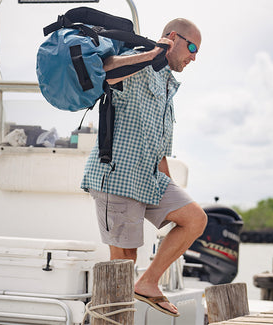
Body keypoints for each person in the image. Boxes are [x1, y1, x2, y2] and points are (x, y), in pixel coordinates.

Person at [80, 18, 206, 317]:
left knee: (195, 219)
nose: (194, 57)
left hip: (150, 177)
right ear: (173, 37)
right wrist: (153, 53)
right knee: (123, 260)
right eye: (192, 47)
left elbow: (160, 148)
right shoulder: (136, 59)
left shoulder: (167, 84)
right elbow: (107, 71)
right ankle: (109, 317)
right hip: (117, 177)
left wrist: (172, 191)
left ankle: (148, 282)